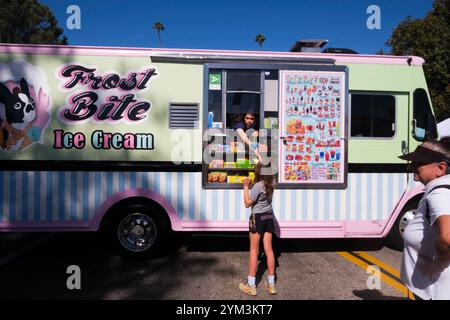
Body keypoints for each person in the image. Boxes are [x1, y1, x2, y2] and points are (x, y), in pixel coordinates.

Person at [398, 139, 450, 300]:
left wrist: (441, 258)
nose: (412, 166)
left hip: (435, 291)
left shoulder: (439, 194)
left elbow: (447, 237)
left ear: (441, 168)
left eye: (418, 163)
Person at [239, 160, 277, 296]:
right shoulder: (272, 183)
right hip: (268, 217)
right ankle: (271, 284)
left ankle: (251, 285)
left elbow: (247, 204)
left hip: (258, 219)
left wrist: (245, 186)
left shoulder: (257, 186)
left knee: (254, 251)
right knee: (269, 250)